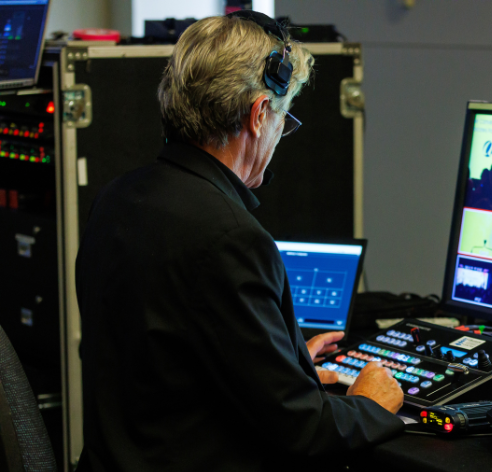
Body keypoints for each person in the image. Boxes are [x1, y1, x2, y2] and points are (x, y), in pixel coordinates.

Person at [74, 13, 404, 471]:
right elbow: (303, 431)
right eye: (282, 119)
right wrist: (368, 403)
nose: (278, 136)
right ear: (259, 114)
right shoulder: (230, 237)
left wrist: (282, 361)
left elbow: (165, 365)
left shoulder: (117, 198)